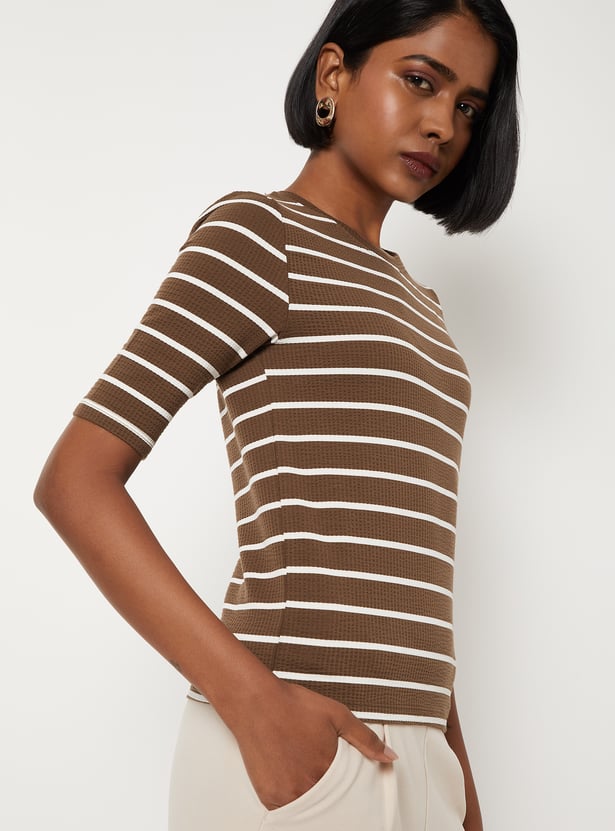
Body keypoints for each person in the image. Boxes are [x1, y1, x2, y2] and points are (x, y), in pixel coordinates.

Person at [34, 0, 519, 828]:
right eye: (419, 81)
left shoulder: (421, 305)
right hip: (303, 755)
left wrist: (459, 788)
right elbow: (74, 482)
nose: (442, 124)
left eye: (468, 106)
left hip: (422, 760)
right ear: (334, 74)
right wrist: (254, 703)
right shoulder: (259, 236)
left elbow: (404, 566)